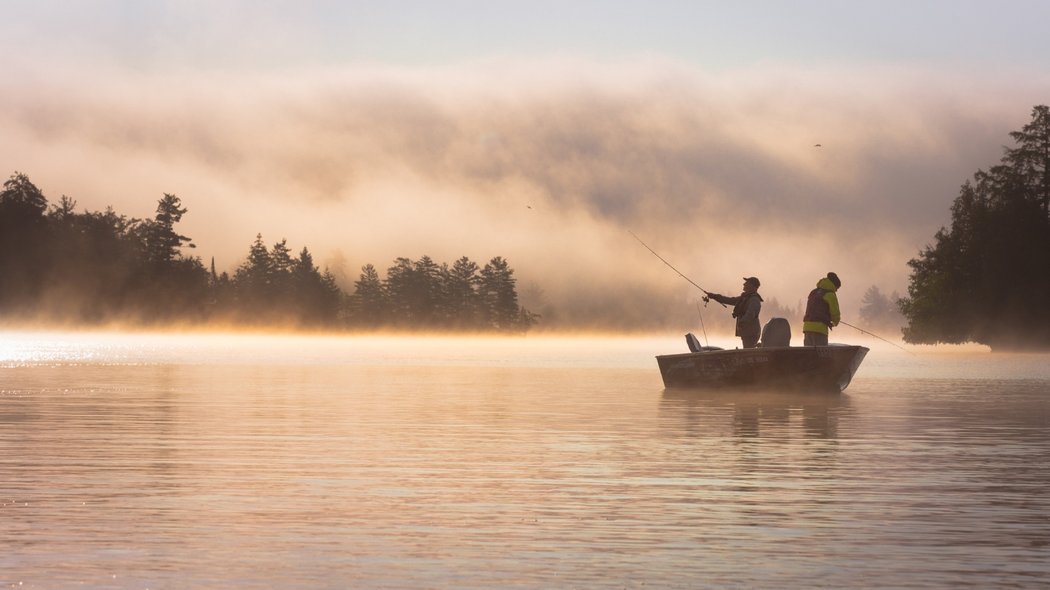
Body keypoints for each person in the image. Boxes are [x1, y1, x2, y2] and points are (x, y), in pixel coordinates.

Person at [704, 277, 763, 349]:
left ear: (753, 286)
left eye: (747, 283)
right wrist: (714, 296)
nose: (744, 284)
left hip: (751, 333)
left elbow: (750, 315)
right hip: (747, 331)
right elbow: (729, 300)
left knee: (748, 350)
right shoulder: (745, 298)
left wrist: (741, 322)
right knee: (747, 349)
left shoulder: (754, 300)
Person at [802, 272, 842, 346]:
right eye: (837, 288)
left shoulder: (813, 292)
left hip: (807, 328)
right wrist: (835, 322)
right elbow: (835, 314)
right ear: (834, 285)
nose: (836, 290)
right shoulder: (830, 294)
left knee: (808, 355)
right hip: (820, 330)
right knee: (820, 356)